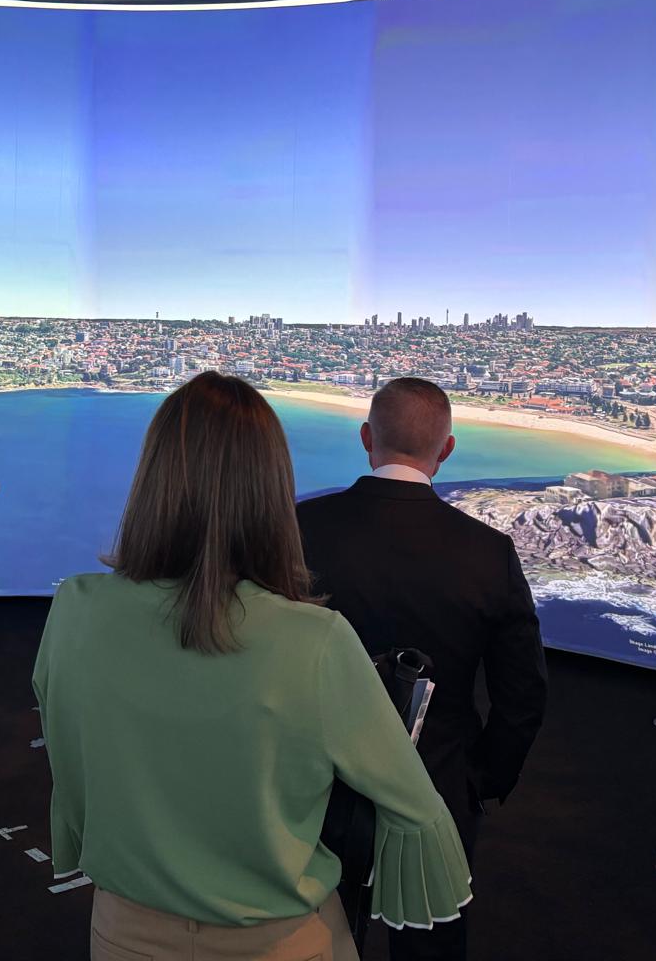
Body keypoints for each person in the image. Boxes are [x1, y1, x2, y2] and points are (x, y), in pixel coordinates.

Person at [34, 372, 472, 961]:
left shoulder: (76, 611)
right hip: (278, 941)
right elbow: (415, 809)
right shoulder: (315, 640)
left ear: (154, 476)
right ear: (270, 488)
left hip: (121, 932)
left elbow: (70, 762)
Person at [297, 376, 548, 961]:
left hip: (314, 782)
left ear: (366, 437)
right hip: (438, 784)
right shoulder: (489, 552)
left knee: (316, 936)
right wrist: (479, 780)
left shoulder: (301, 530)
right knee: (431, 946)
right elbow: (523, 695)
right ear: (447, 449)